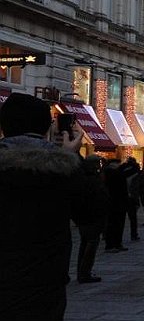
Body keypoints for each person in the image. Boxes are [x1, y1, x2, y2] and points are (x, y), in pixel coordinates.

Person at [0, 92, 86, 319]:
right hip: (44, 277)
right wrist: (73, 159)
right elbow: (91, 212)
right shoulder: (61, 170)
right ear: (48, 127)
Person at [73, 155, 109, 284]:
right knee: (91, 243)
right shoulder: (92, 179)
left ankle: (82, 271)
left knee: (85, 243)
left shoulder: (82, 177)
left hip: (84, 216)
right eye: (98, 163)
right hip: (92, 215)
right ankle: (84, 272)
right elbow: (98, 197)